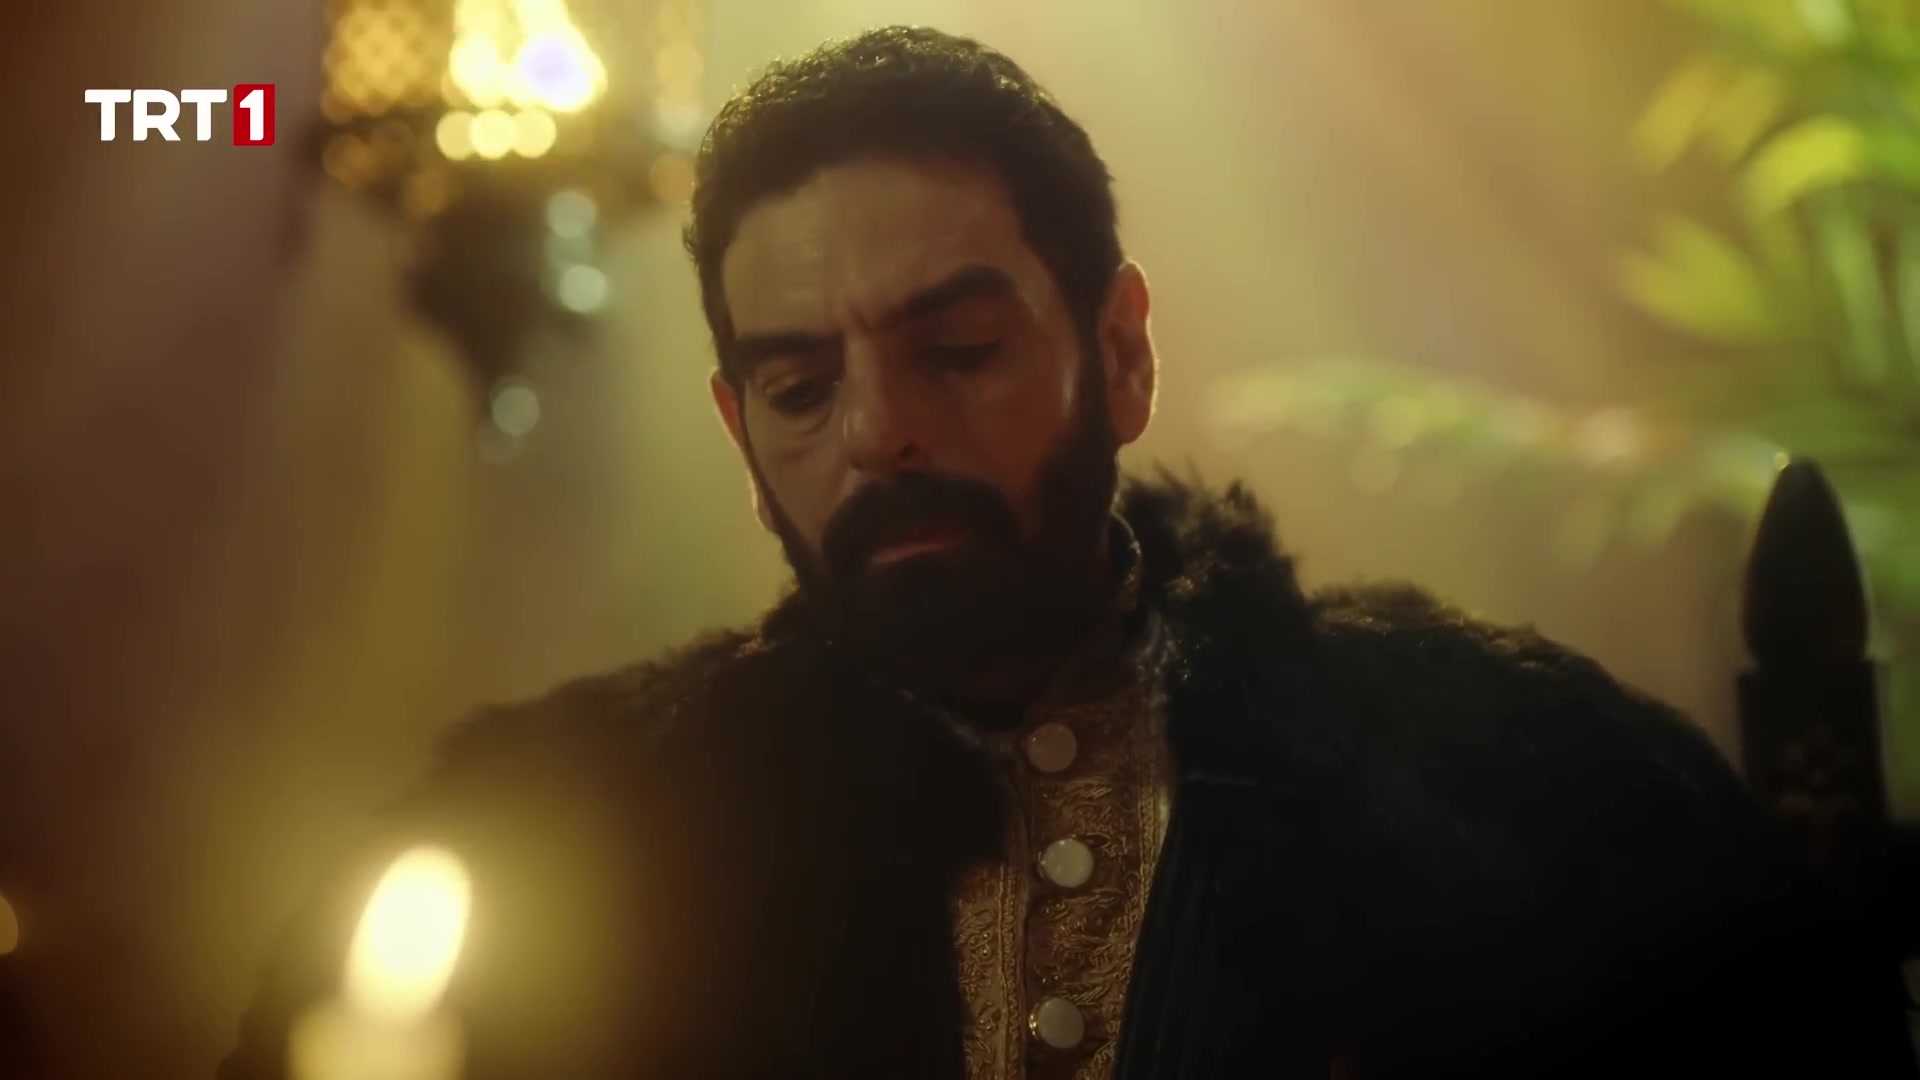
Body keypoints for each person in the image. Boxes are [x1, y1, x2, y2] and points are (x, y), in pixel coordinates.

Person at [222, 26, 1915, 1080]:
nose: (880, 433)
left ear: (1119, 355)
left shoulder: (1518, 800)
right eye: (801, 386)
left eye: (958, 351)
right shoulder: (555, 849)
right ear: (741, 435)